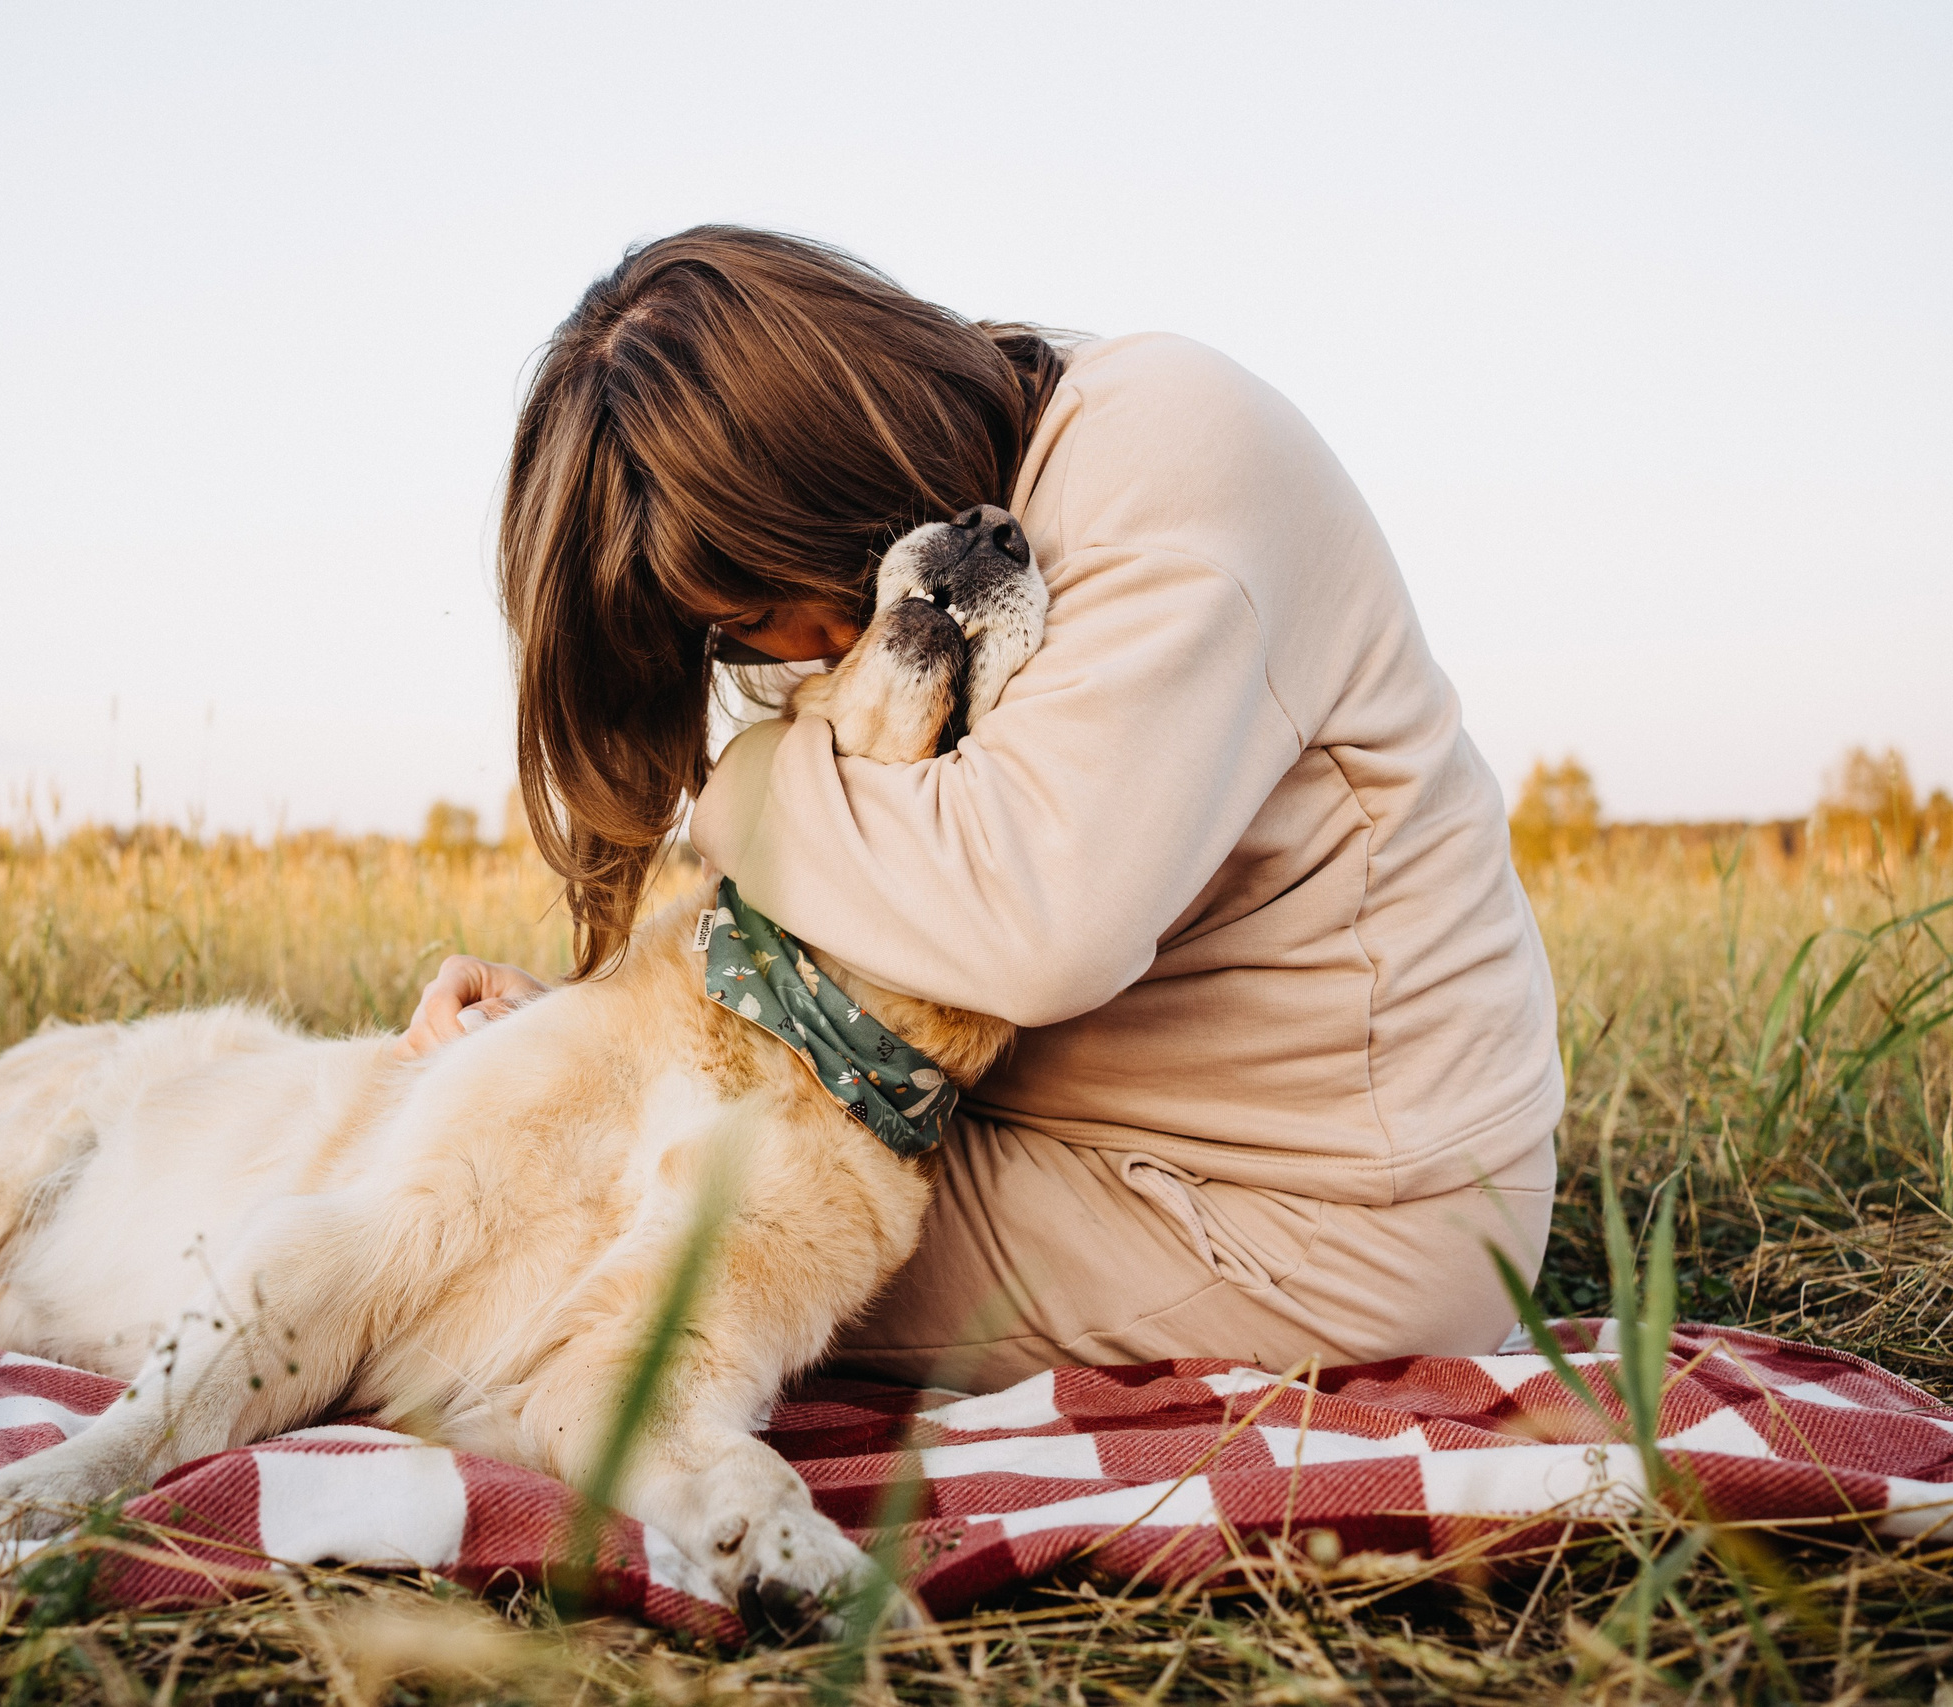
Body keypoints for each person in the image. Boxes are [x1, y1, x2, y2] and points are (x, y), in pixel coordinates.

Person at [400, 226, 1560, 1392]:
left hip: (1326, 1217)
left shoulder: (1171, 456)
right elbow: (885, 951)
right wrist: (574, 1039)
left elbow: (1034, 924)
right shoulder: (947, 541)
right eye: (736, 635)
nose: (807, 650)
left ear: (839, 453)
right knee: (565, 1152)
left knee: (581, 1241)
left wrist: (744, 785)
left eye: (776, 592)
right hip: (1073, 1141)